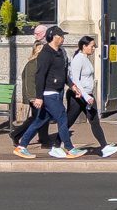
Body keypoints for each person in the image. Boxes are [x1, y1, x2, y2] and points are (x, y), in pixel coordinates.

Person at [16, 25, 83, 159]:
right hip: (48, 93)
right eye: (61, 36)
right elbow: (40, 75)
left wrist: (72, 86)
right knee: (62, 117)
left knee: (41, 120)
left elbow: (63, 74)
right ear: (54, 37)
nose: (63, 38)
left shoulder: (60, 53)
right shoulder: (45, 53)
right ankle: (69, 148)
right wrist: (38, 97)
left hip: (57, 92)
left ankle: (21, 146)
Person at [66, 35, 117, 157]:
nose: (93, 48)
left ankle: (104, 147)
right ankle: (56, 144)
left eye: (94, 46)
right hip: (79, 96)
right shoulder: (78, 59)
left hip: (87, 95)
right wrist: (86, 97)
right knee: (69, 120)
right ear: (84, 46)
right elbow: (75, 80)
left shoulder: (85, 58)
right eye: (92, 46)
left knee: (94, 121)